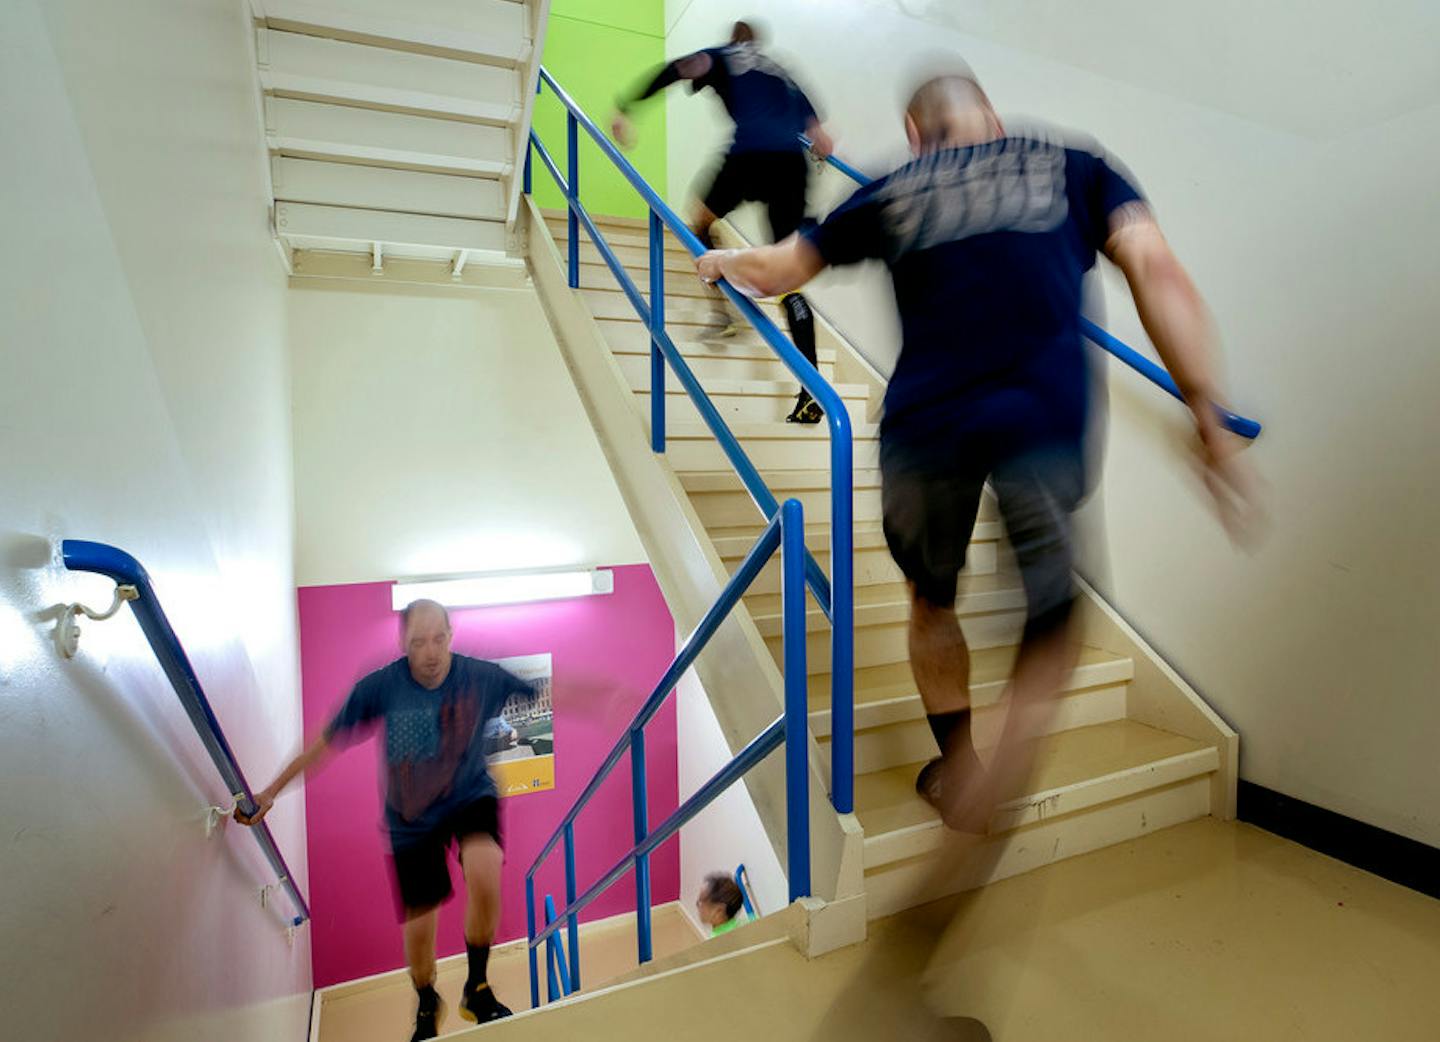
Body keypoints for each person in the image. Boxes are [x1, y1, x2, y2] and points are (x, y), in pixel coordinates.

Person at [696, 69, 1256, 834]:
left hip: (929, 433)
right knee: (1050, 608)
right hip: (1042, 419)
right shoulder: (1075, 166)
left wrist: (722, 261)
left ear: (917, 133)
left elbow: (784, 268)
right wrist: (1203, 408)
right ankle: (1023, 716)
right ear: (992, 116)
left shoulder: (894, 186)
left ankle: (962, 769)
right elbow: (1156, 269)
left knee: (932, 598)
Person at [236, 599, 533, 1040]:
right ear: (403, 643)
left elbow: (557, 691)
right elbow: (322, 745)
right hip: (411, 817)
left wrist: (607, 697)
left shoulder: (478, 674)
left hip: (470, 794)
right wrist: (271, 793)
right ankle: (427, 998)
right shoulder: (380, 687)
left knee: (486, 869)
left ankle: (478, 986)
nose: (430, 652)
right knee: (419, 933)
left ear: (450, 635)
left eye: (438, 639)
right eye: (418, 642)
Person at [611, 19, 835, 423]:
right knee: (789, 278)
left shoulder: (721, 56)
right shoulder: (779, 68)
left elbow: (675, 70)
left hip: (749, 158)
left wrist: (626, 108)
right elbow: (822, 139)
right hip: (790, 166)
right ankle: (811, 395)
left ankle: (722, 311)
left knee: (697, 222)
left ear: (734, 40)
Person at [696, 872, 746, 936]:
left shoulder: (716, 942)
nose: (697, 904)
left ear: (718, 910)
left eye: (701, 901)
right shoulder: (746, 924)